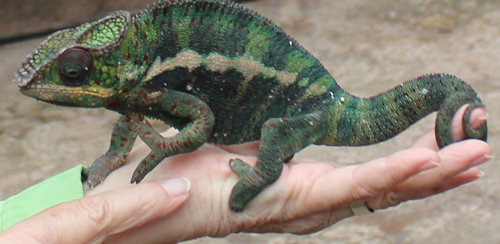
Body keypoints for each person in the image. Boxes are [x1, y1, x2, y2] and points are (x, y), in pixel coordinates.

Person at [0, 106, 491, 243]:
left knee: (275, 128)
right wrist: (100, 181)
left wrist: (249, 179)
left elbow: (202, 126)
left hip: (296, 112)